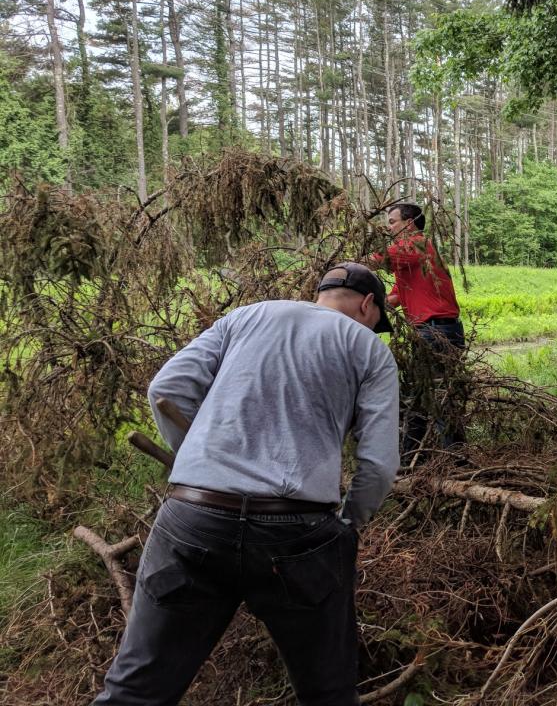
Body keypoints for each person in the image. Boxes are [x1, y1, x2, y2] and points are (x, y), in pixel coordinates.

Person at [93, 262, 401, 706]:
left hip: (193, 519)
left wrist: (198, 460)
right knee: (328, 695)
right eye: (376, 322)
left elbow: (166, 389)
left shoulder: (246, 316)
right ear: (368, 305)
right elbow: (379, 462)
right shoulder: (367, 347)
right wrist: (350, 524)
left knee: (134, 692)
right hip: (297, 533)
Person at [375, 202, 466, 461]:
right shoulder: (413, 260)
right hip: (433, 331)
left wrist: (340, 270)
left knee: (437, 397)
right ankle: (412, 459)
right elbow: (394, 298)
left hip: (435, 331)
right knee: (418, 395)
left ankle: (455, 462)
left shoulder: (416, 244)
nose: (388, 227)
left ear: (409, 223)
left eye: (392, 222)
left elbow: (377, 259)